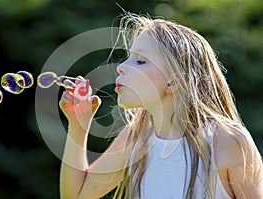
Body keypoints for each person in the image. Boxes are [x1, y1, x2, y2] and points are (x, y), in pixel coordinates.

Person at [58, 13, 263, 199]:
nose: (120, 67)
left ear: (174, 80)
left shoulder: (226, 140)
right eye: (128, 58)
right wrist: (78, 126)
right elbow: (76, 195)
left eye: (140, 61)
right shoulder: (135, 139)